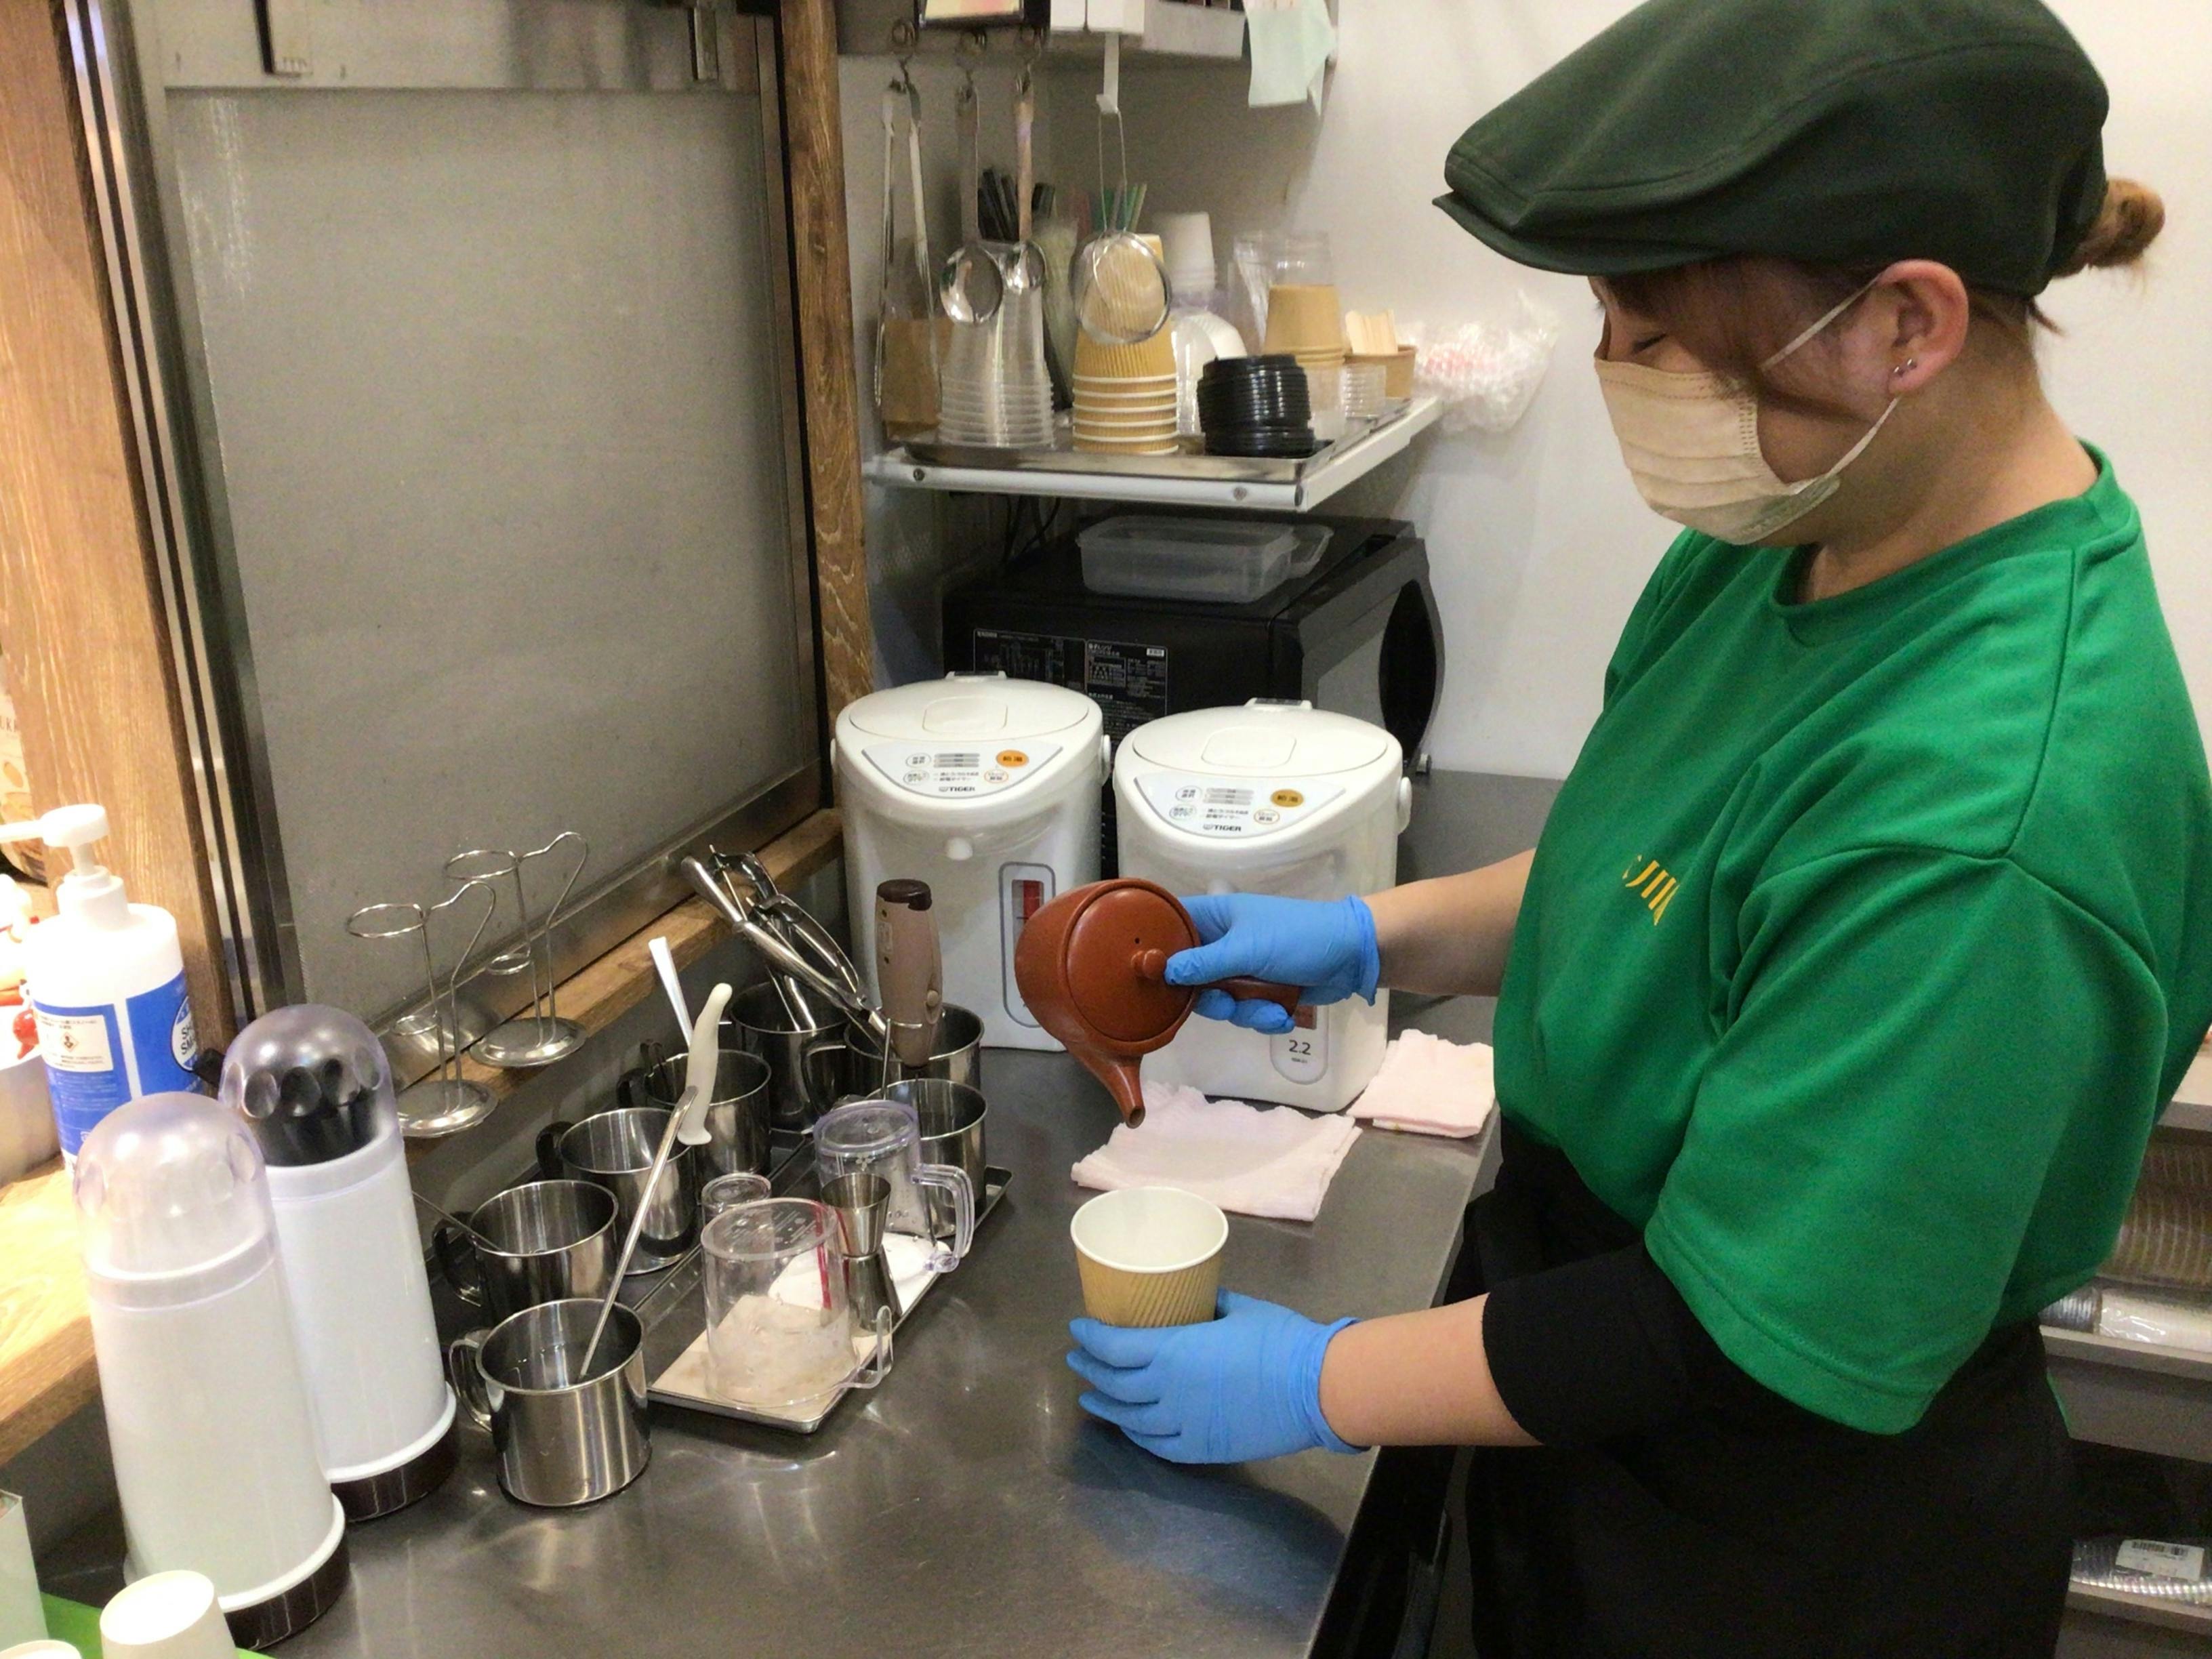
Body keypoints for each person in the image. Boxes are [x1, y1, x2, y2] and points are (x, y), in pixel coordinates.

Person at [1063, 1, 2212, 1652]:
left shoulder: (1990, 823)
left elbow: (1728, 1332)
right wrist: (1373, 934)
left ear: (1907, 323)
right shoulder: (1804, 533)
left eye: (1658, 336)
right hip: (1603, 1404)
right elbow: (1660, 873)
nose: (1617, 372)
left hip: (1789, 1529)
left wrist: (1318, 1378)